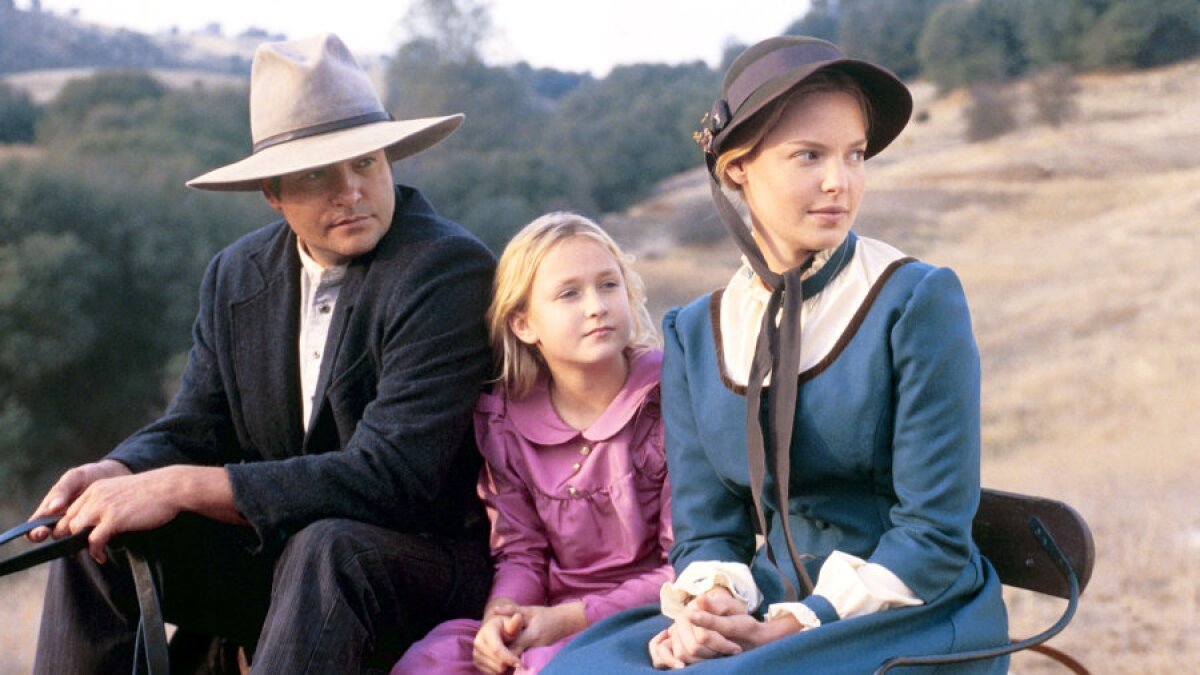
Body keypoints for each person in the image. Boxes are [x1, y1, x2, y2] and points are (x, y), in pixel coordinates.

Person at [25, 33, 497, 673]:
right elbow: (198, 425)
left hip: (416, 566)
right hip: (281, 559)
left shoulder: (444, 270)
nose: (351, 191)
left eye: (366, 162)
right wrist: (121, 469)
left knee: (327, 548)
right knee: (94, 535)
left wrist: (185, 486)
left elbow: (392, 478)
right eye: (317, 174)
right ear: (272, 192)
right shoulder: (236, 273)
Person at [543, 36, 1009, 673]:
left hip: (909, 609)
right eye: (808, 155)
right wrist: (710, 606)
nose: (838, 182)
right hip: (769, 600)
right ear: (737, 167)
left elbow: (933, 534)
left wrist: (793, 625)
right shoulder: (696, 333)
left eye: (854, 155)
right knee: (581, 666)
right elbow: (708, 530)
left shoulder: (914, 301)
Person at [391, 212, 674, 675]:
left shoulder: (668, 398)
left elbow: (687, 561)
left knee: (546, 667)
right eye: (569, 294)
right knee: (433, 661)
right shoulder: (506, 421)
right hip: (549, 614)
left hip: (650, 612)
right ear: (524, 324)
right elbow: (521, 552)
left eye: (609, 285)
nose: (596, 306)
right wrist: (502, 616)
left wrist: (570, 620)